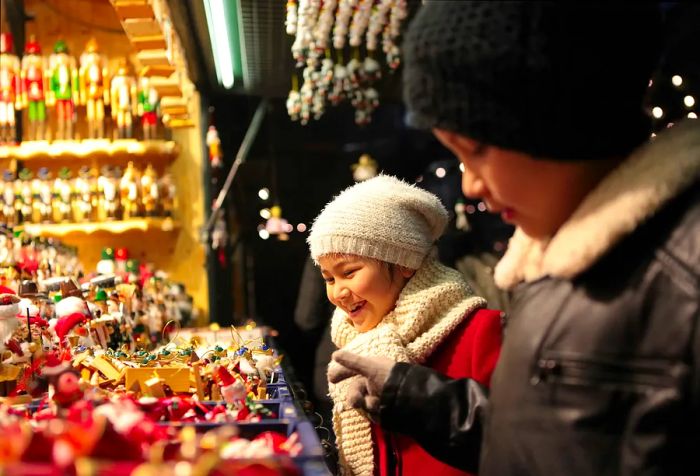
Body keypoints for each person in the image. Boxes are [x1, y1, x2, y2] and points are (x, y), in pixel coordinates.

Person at [328, 2, 700, 476]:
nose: (469, 186)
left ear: (558, 122)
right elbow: (540, 442)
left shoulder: (682, 275)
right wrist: (415, 396)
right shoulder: (552, 267)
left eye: (477, 150)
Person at [308, 175, 502, 475]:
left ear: (404, 263)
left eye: (349, 272)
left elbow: (513, 444)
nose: (338, 293)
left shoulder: (481, 331)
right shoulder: (356, 342)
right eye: (329, 278)